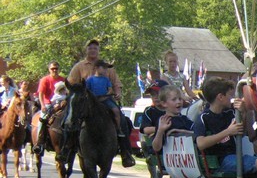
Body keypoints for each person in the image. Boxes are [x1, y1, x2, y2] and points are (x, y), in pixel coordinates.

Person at [62, 39, 135, 167]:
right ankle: (66, 148)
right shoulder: (79, 66)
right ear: (87, 50)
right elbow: (71, 84)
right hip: (86, 101)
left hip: (105, 99)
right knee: (70, 118)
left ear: (98, 51)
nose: (93, 50)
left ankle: (125, 152)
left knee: (123, 119)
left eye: (95, 48)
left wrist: (117, 92)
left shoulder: (106, 67)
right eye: (90, 48)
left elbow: (116, 83)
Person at [193, 76, 257, 177]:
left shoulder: (230, 113)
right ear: (221, 97)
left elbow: (242, 131)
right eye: (230, 95)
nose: (232, 99)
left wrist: (243, 113)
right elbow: (201, 143)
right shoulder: (203, 118)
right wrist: (228, 131)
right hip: (219, 162)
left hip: (234, 156)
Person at [149, 84, 193, 157]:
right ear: (164, 103)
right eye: (174, 99)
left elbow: (196, 131)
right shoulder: (163, 121)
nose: (178, 102)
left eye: (180, 99)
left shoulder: (185, 119)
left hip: (187, 158)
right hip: (171, 160)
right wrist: (160, 130)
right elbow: (156, 148)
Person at [33, 81, 70, 155]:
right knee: (44, 119)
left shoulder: (66, 95)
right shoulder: (56, 95)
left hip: (66, 109)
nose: (63, 90)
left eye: (63, 89)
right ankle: (40, 142)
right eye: (61, 89)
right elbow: (51, 102)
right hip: (53, 107)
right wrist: (56, 105)